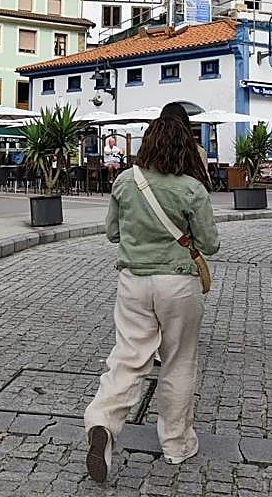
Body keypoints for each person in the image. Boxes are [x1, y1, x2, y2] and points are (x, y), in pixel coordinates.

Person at [84, 102, 220, 482]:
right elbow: (210, 245)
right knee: (178, 361)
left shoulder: (126, 180)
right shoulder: (192, 188)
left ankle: (102, 424)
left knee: (127, 358)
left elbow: (113, 233)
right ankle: (176, 444)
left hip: (133, 281)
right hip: (177, 283)